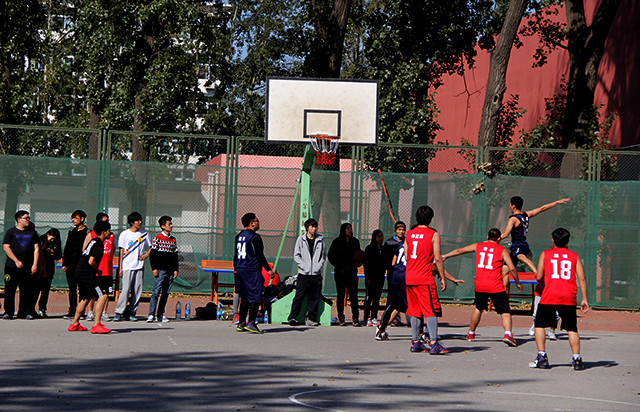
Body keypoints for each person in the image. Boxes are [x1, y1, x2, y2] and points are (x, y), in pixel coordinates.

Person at [443, 228, 522, 346]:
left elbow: (460, 250)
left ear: (487, 237)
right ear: (499, 238)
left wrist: (446, 256)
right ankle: (508, 334)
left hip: (480, 284)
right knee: (505, 311)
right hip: (495, 285)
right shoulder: (502, 250)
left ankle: (471, 333)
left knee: (478, 308)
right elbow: (512, 268)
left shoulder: (478, 246)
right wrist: (517, 282)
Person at [529, 228, 589, 370]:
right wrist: (584, 298)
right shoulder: (574, 256)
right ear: (567, 242)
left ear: (552, 240)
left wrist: (544, 283)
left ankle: (542, 357)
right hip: (568, 296)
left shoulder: (545, 254)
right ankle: (577, 360)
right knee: (572, 329)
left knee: (539, 325)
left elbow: (539, 276)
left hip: (549, 295)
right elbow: (581, 278)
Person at [404, 206, 448, 354]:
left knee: (415, 311)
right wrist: (442, 277)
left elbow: (407, 256)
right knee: (431, 310)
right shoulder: (433, 234)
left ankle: (415, 341)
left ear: (416, 217)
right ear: (431, 218)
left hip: (410, 276)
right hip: (424, 278)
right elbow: (438, 258)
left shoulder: (409, 234)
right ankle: (434, 343)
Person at [499, 196, 570, 274]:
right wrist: (556, 202)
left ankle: (537, 273)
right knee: (505, 269)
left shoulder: (513, 219)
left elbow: (506, 234)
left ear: (513, 206)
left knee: (521, 257)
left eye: (510, 205)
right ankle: (506, 283)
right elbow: (542, 208)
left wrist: (493, 239)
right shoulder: (526, 214)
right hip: (520, 244)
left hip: (519, 244)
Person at [68, 220, 112, 334]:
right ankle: (96, 325)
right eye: (108, 230)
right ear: (103, 232)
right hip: (86, 273)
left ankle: (74, 324)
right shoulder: (99, 244)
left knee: (86, 297)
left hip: (80, 272)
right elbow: (91, 261)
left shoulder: (93, 241)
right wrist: (97, 271)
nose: (110, 233)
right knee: (103, 295)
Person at [234, 213, 274, 333]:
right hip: (251, 270)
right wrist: (268, 269)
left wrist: (235, 270)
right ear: (251, 223)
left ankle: (241, 322)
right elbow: (259, 255)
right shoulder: (255, 237)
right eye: (257, 221)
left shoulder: (239, 236)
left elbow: (235, 256)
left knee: (245, 297)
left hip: (240, 268)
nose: (258, 223)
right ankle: (251, 322)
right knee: (256, 296)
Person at [113, 212, 151, 322]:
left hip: (139, 266)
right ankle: (119, 312)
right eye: (137, 221)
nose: (140, 222)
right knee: (125, 289)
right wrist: (120, 268)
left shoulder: (144, 234)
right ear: (131, 222)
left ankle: (131, 312)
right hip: (127, 266)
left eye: (140, 220)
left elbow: (152, 247)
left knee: (137, 290)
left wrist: (145, 255)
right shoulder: (124, 234)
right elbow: (121, 251)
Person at [288, 218, 326, 327]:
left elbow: (323, 255)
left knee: (314, 297)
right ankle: (292, 317)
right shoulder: (300, 239)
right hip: (304, 274)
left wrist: (318, 266)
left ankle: (311, 319)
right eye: (312, 227)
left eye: (315, 226)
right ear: (307, 228)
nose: (314, 229)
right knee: (299, 295)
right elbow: (296, 255)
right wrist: (303, 266)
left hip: (316, 274)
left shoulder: (320, 240)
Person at [2, 211, 40, 320]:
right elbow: (6, 247)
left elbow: (36, 249)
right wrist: (16, 261)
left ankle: (24, 312)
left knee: (26, 290)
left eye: (28, 218)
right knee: (10, 289)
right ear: (19, 220)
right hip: (12, 267)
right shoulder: (10, 232)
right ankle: (8, 312)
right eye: (26, 218)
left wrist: (35, 264)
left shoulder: (32, 233)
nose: (28, 220)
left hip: (27, 266)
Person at [375, 226, 407, 341]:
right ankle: (421, 334)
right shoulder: (411, 245)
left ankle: (381, 329)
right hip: (405, 277)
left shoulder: (400, 245)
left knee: (395, 305)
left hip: (396, 276)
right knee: (416, 305)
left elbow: (393, 262)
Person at [328, 222, 361, 326]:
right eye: (347, 228)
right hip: (340, 272)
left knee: (353, 295)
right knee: (341, 295)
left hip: (352, 271)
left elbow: (358, 255)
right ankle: (341, 317)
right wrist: (338, 265)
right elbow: (331, 255)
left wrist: (358, 263)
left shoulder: (355, 242)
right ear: (343, 230)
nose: (350, 230)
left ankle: (355, 318)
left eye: (351, 228)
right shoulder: (337, 242)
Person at [147, 215, 179, 323]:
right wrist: (154, 268)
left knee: (165, 293)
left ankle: (160, 314)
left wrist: (175, 269)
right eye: (169, 224)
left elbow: (175, 255)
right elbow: (153, 255)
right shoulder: (157, 238)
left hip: (170, 270)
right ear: (163, 226)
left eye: (171, 224)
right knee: (156, 292)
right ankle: (151, 314)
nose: (171, 226)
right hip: (160, 270)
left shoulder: (173, 239)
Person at [83, 213, 115, 322]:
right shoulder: (92, 235)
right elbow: (85, 250)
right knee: (93, 292)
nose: (107, 223)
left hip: (107, 269)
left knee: (106, 292)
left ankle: (104, 312)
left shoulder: (111, 235)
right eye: (105, 221)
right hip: (95, 268)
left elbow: (113, 250)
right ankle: (90, 312)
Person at [62, 210, 88, 319]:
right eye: (72, 218)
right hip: (71, 264)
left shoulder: (87, 233)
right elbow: (67, 248)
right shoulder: (72, 232)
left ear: (82, 219)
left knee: (82, 288)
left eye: (75, 217)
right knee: (72, 288)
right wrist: (65, 263)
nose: (73, 220)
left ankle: (81, 311)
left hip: (82, 264)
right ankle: (72, 310)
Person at [382, 222, 407, 326]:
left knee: (406, 296)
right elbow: (387, 259)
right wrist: (389, 268)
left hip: (404, 273)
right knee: (393, 297)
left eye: (403, 229)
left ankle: (410, 319)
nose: (401, 231)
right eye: (399, 229)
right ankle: (392, 319)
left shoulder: (407, 241)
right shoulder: (389, 242)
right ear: (395, 230)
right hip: (394, 273)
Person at [36, 228, 62, 318]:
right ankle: (31, 309)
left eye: (54, 239)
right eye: (51, 238)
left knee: (45, 290)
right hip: (40, 268)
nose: (52, 240)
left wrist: (53, 252)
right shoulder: (40, 240)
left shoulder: (55, 243)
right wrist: (45, 250)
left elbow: (58, 256)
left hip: (49, 269)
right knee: (36, 289)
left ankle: (42, 309)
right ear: (47, 234)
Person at [364, 229, 385, 326]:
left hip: (380, 276)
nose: (380, 238)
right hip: (371, 277)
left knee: (377, 298)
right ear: (374, 237)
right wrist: (367, 277)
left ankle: (374, 317)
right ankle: (367, 317)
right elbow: (366, 264)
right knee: (369, 298)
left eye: (381, 236)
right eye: (378, 236)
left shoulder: (383, 249)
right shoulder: (369, 248)